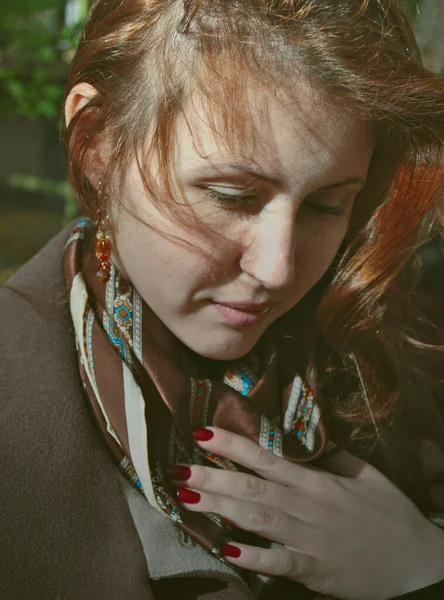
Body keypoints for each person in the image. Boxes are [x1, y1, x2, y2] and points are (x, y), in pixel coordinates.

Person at [1, 0, 444, 598]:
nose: (277, 268)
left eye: (326, 205)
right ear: (97, 144)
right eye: (232, 196)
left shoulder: (394, 360)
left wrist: (422, 564)